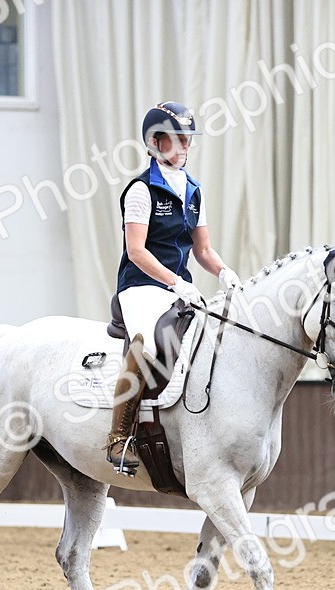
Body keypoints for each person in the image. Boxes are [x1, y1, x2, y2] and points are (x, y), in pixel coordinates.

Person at [105, 101, 241, 473]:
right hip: (142, 286)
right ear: (155, 141)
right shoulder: (141, 190)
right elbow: (136, 251)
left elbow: (203, 249)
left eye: (187, 139)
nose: (184, 146)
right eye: (176, 139)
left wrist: (225, 272)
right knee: (146, 343)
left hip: (180, 288)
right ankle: (118, 438)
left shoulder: (194, 190)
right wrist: (176, 281)